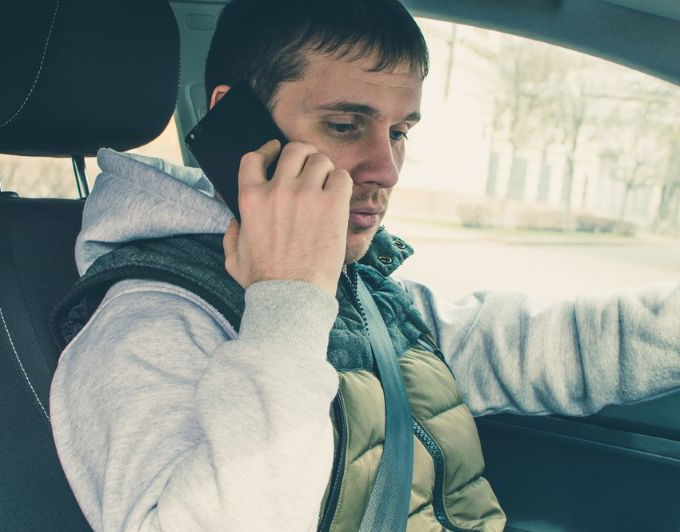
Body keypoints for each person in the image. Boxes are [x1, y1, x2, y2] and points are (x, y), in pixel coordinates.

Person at [49, 0, 680, 530]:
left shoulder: (367, 294)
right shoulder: (147, 321)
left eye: (400, 131)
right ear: (234, 121)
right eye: (347, 125)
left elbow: (541, 344)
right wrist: (288, 299)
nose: (387, 169)